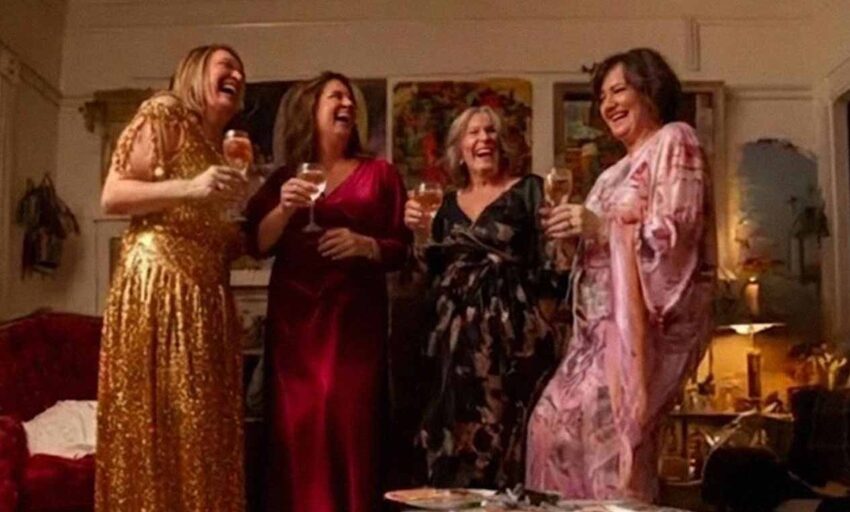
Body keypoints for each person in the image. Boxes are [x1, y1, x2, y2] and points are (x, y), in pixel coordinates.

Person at [525, 47, 714, 502]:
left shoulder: (675, 140)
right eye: (602, 96)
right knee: (549, 428)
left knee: (611, 451)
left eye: (619, 90)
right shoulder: (610, 175)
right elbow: (594, 254)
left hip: (639, 335)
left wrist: (600, 226)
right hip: (592, 337)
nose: (608, 104)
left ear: (650, 89)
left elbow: (676, 236)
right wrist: (570, 237)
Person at [244, 71, 410, 512]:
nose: (348, 105)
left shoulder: (380, 174)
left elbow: (402, 248)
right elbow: (257, 244)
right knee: (298, 425)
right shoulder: (286, 177)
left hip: (355, 322)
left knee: (350, 422)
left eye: (351, 99)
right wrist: (284, 207)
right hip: (295, 322)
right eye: (336, 97)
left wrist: (366, 245)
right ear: (311, 111)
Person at [96, 44, 249, 511]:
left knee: (203, 433)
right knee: (161, 421)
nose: (238, 75)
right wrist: (191, 187)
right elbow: (113, 195)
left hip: (208, 300)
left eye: (241, 71)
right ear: (195, 72)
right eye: (226, 65)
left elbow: (223, 235)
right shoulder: (166, 112)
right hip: (160, 285)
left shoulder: (222, 152)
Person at [404, 106, 560, 490]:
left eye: (491, 131)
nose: (483, 138)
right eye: (472, 133)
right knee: (452, 435)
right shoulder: (444, 205)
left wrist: (542, 321)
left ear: (503, 143)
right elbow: (425, 274)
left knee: (507, 435)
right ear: (459, 150)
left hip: (513, 337)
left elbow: (552, 260)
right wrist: (418, 235)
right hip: (451, 342)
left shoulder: (529, 190)